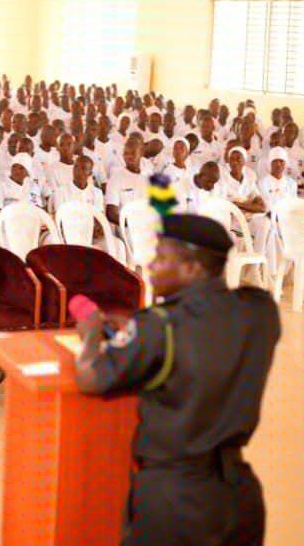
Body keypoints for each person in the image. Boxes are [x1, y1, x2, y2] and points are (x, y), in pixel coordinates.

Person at [75, 212, 280, 546]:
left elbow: (91, 378)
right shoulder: (260, 310)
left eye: (160, 257)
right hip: (238, 493)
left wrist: (90, 336)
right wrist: (139, 332)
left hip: (174, 498)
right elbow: (209, 338)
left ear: (192, 268)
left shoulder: (159, 325)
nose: (150, 265)